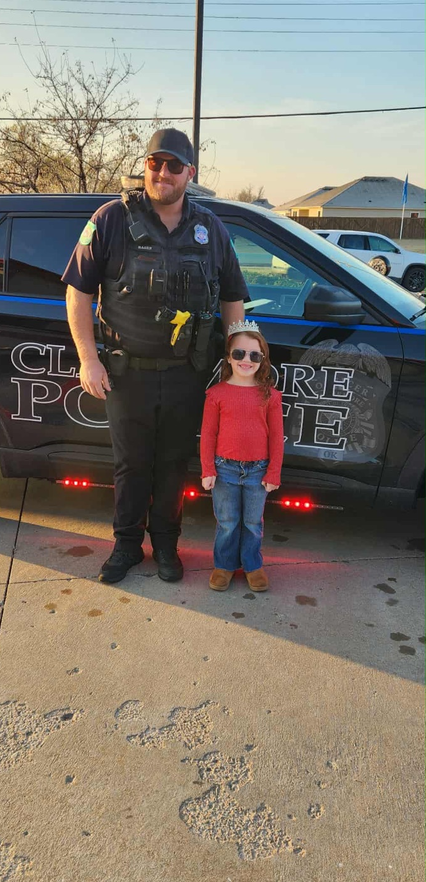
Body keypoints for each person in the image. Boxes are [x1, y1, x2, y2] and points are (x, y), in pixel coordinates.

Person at [62, 128, 246, 585]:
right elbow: (78, 293)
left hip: (188, 373)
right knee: (131, 465)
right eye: (154, 163)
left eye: (173, 165)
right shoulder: (109, 220)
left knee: (173, 464)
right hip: (127, 372)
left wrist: (234, 358)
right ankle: (126, 546)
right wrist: (89, 358)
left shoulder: (210, 229)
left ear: (190, 172)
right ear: (145, 165)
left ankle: (166, 545)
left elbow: (233, 298)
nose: (162, 173)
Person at [200, 320, 284, 592]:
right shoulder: (216, 394)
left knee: (252, 522)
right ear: (228, 357)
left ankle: (252, 565)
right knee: (227, 521)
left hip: (258, 471)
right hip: (224, 469)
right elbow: (208, 434)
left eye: (254, 355)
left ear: (262, 359)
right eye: (239, 354)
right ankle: (223, 565)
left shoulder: (270, 396)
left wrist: (273, 472)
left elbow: (275, 438)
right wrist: (207, 469)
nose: (246, 360)